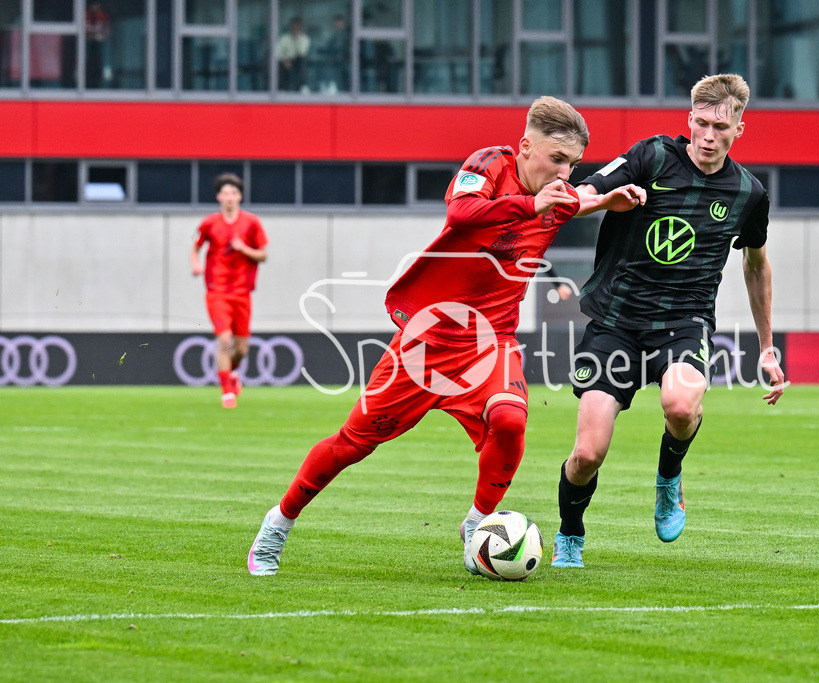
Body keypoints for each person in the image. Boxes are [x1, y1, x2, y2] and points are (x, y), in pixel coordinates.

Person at [247, 96, 645, 576]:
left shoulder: (555, 194)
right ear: (525, 147)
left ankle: (477, 526)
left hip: (491, 342)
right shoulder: (489, 164)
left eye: (573, 164)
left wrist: (605, 199)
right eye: (557, 159)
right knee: (353, 443)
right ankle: (276, 526)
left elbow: (574, 201)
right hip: (426, 342)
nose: (565, 173)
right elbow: (461, 215)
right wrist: (531, 203)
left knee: (511, 421)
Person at [551, 73, 785, 568]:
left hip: (684, 321)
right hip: (615, 321)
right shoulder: (651, 156)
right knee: (588, 455)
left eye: (720, 127)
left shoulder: (748, 192)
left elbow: (756, 265)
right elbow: (577, 196)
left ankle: (668, 479)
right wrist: (605, 201)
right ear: (689, 119)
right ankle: (570, 531)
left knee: (681, 406)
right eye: (700, 123)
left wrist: (766, 346)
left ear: (739, 128)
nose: (707, 135)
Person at [189, 173, 268, 409]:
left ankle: (232, 373)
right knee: (224, 339)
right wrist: (195, 264)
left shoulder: (251, 223)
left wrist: (244, 249)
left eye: (233, 193)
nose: (229, 197)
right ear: (218, 197)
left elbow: (263, 254)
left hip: (242, 291)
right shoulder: (208, 223)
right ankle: (227, 393)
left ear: (240, 196)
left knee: (242, 349)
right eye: (225, 193)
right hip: (217, 290)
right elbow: (195, 247)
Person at [276, 17, 310, 92]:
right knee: (278, 64)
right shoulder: (284, 38)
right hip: (285, 61)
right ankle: (281, 89)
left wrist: (296, 39)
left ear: (300, 28)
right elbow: (277, 53)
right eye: (293, 27)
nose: (295, 29)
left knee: (302, 62)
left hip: (298, 61)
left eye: (297, 27)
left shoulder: (304, 38)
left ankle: (303, 86)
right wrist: (284, 60)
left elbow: (302, 52)